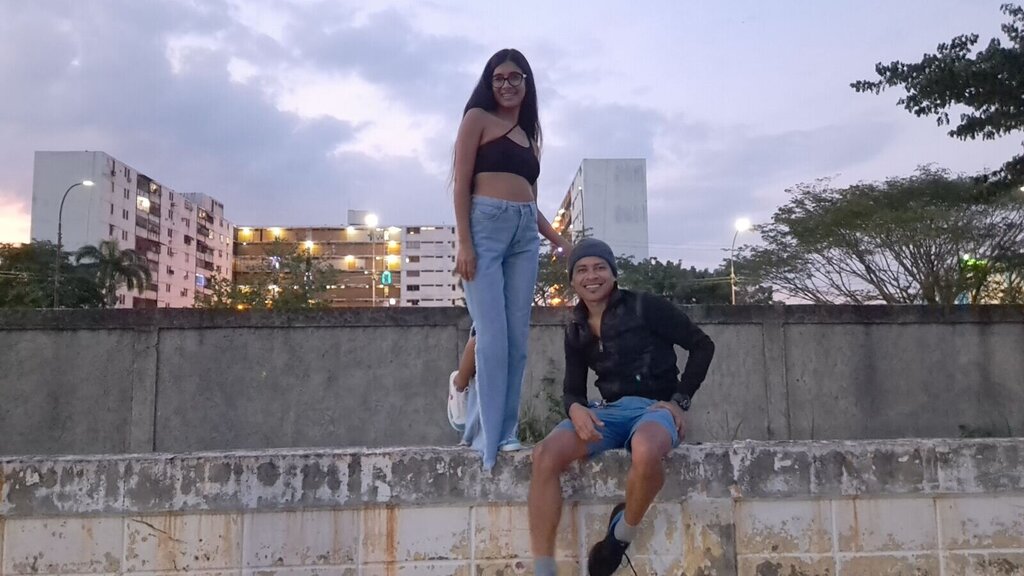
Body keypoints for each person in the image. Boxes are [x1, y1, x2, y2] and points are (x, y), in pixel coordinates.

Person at [527, 238, 715, 576]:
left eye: (600, 267)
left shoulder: (644, 306)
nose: (591, 276)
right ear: (572, 281)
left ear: (613, 274)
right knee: (544, 455)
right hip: (608, 412)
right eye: (582, 270)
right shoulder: (576, 328)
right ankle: (543, 569)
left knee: (645, 449)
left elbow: (702, 345)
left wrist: (679, 401)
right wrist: (576, 409)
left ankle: (620, 535)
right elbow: (572, 390)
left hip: (653, 410)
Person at [452, 48, 570, 470]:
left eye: (514, 77)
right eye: (498, 77)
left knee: (517, 340)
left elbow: (532, 204)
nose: (506, 84)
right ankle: (484, 434)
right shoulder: (477, 119)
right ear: (490, 82)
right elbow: (461, 184)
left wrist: (560, 241)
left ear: (526, 82)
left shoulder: (530, 138)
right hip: (484, 226)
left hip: (524, 234)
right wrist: (464, 243)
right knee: (492, 336)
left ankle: (504, 432)